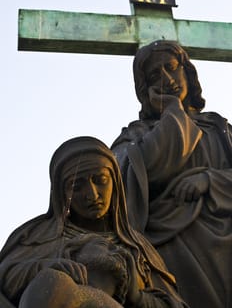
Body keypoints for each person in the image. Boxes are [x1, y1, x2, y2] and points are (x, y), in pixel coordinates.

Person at [111, 40, 232, 308]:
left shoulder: (219, 129)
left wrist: (209, 180)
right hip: (172, 248)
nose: (167, 78)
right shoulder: (134, 137)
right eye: (155, 75)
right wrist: (172, 111)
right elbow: (126, 182)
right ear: (145, 89)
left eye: (172, 67)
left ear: (186, 71)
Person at [0, 136, 188, 308]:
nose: (92, 194)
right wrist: (44, 266)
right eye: (76, 185)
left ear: (114, 182)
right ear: (61, 194)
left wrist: (136, 296)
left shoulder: (137, 246)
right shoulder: (36, 236)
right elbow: (4, 278)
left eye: (101, 180)